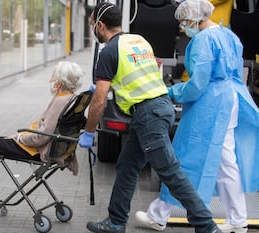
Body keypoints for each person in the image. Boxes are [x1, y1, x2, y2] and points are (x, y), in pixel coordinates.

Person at [78, 2, 222, 233]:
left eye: (92, 25)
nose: (93, 29)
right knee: (127, 165)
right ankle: (115, 222)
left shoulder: (108, 52)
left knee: (170, 172)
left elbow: (99, 101)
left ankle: (207, 225)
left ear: (100, 25)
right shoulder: (139, 40)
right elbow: (152, 67)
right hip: (158, 106)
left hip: (148, 114)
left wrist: (88, 132)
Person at [135, 0, 259, 233]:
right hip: (231, 99)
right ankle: (238, 219)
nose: (183, 27)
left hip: (210, 105)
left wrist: (170, 91)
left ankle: (158, 215)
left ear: (194, 18)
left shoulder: (203, 40)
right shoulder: (228, 34)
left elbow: (198, 83)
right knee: (226, 163)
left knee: (185, 157)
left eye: (184, 21)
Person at [0, 61, 84, 213]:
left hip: (35, 149)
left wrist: (19, 137)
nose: (51, 79)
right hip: (48, 147)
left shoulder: (60, 101)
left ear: (60, 81)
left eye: (53, 76)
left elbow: (41, 138)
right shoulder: (73, 99)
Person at [172, 0, 233, 82]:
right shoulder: (232, 39)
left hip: (212, 20)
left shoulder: (206, 37)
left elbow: (198, 82)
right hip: (230, 91)